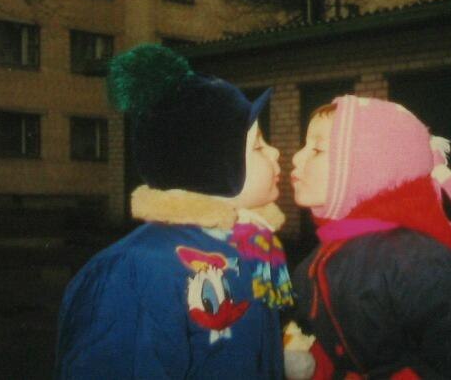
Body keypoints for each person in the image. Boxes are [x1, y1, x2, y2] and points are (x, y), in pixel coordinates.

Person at [55, 44, 293, 379]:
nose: (276, 153)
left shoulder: (253, 244)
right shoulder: (136, 269)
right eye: (257, 145)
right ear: (210, 163)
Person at [286, 96, 451, 379]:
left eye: (317, 149)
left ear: (369, 169)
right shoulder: (318, 258)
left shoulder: (419, 263)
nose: (296, 158)